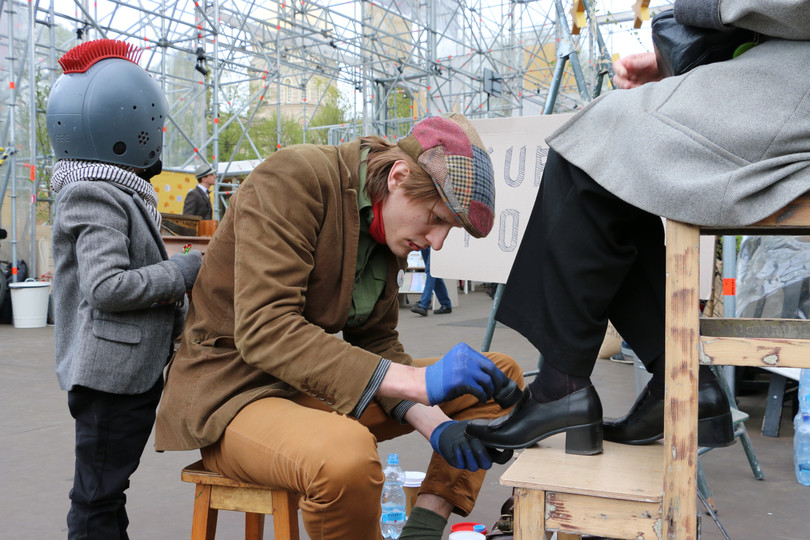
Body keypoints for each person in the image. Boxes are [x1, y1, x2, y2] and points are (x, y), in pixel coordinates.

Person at [155, 113, 524, 540]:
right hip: (230, 395)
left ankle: (421, 531)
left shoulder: (386, 227)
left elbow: (377, 343)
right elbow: (265, 329)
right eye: (437, 219)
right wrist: (418, 383)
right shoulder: (294, 177)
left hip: (301, 386)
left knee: (496, 376)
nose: (437, 242)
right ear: (398, 177)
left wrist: (436, 425)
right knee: (346, 457)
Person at [467, 0, 810, 454]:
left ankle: (560, 387)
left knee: (590, 145)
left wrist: (697, 12)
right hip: (783, 73)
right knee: (616, 163)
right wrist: (687, 57)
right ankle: (681, 379)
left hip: (792, 86)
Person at [46, 39, 203, 539]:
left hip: (122, 374)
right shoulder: (94, 193)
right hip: (111, 379)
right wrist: (183, 271)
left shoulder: (112, 189)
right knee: (95, 498)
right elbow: (107, 287)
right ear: (126, 129)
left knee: (106, 493)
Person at [410, 247, 452, 316]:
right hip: (425, 243)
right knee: (434, 274)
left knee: (431, 271)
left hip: (434, 244)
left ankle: (424, 304)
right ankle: (445, 304)